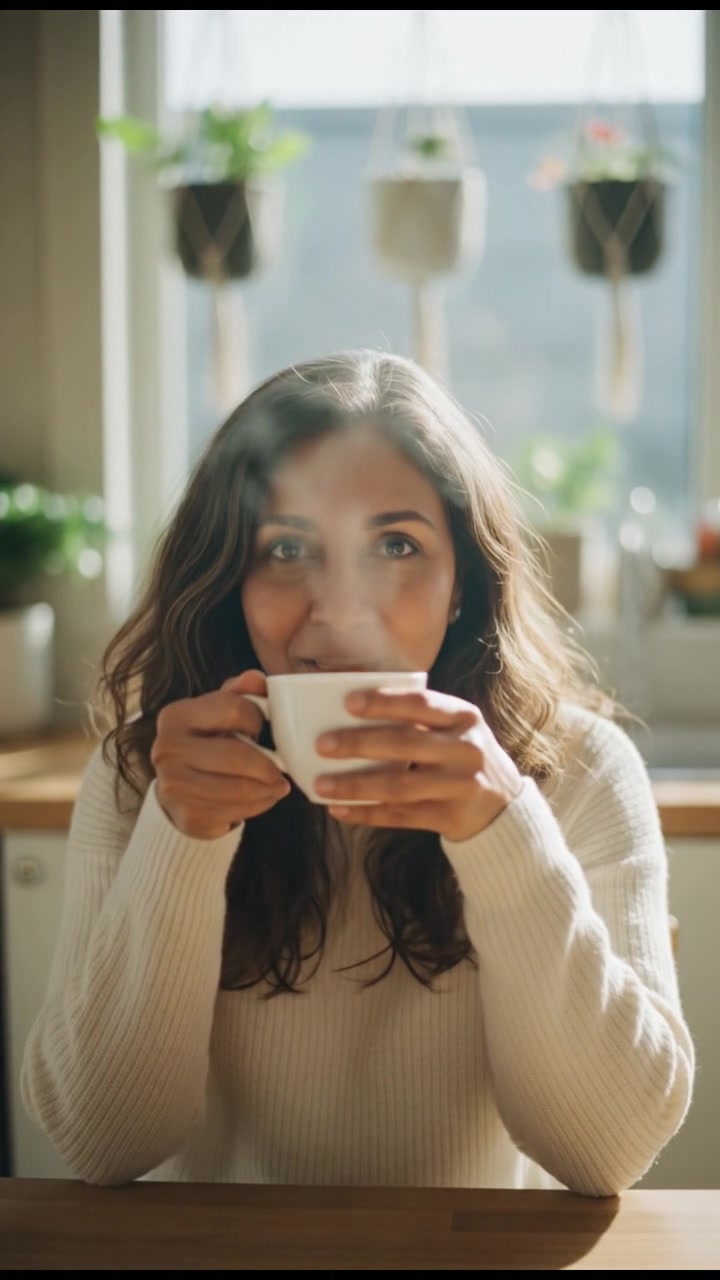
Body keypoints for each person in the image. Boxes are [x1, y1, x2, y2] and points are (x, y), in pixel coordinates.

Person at [21, 350, 693, 1194]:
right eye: (288, 547)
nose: (342, 610)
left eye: (398, 544)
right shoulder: (146, 775)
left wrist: (502, 834)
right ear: (229, 581)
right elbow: (98, 1142)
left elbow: (607, 1153)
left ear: (462, 589)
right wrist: (179, 837)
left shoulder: (582, 773)